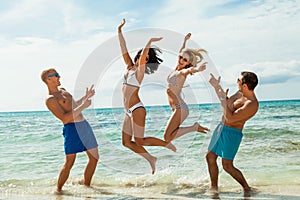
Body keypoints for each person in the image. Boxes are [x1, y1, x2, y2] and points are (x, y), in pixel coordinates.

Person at [118, 19, 176, 174]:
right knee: (126, 142)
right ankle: (151, 159)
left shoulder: (139, 72)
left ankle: (165, 144)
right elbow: (124, 50)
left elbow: (143, 57)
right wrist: (119, 32)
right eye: (141, 57)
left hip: (137, 109)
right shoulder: (130, 67)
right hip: (128, 111)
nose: (142, 59)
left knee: (139, 140)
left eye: (145, 59)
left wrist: (149, 42)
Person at [41, 68, 99, 193]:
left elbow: (73, 107)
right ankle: (58, 190)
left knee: (94, 158)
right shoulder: (50, 99)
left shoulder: (64, 91)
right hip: (72, 129)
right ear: (48, 79)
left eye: (58, 74)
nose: (59, 76)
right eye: (55, 75)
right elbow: (65, 118)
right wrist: (84, 106)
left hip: (84, 125)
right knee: (70, 162)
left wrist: (85, 98)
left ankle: (87, 187)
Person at [206, 71, 259, 194]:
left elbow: (230, 117)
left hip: (232, 134)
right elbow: (227, 102)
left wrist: (223, 100)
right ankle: (214, 188)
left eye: (239, 81)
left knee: (227, 166)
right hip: (221, 128)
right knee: (210, 157)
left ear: (245, 85)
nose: (237, 82)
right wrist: (216, 87)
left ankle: (247, 188)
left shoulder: (251, 104)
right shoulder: (240, 93)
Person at [164, 33, 209, 143]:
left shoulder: (182, 73)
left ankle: (194, 128)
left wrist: (197, 69)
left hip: (180, 108)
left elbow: (189, 70)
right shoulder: (176, 69)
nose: (181, 60)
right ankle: (194, 128)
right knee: (169, 136)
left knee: (167, 137)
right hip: (176, 108)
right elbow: (181, 51)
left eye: (184, 60)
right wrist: (184, 40)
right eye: (180, 57)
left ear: (188, 63)